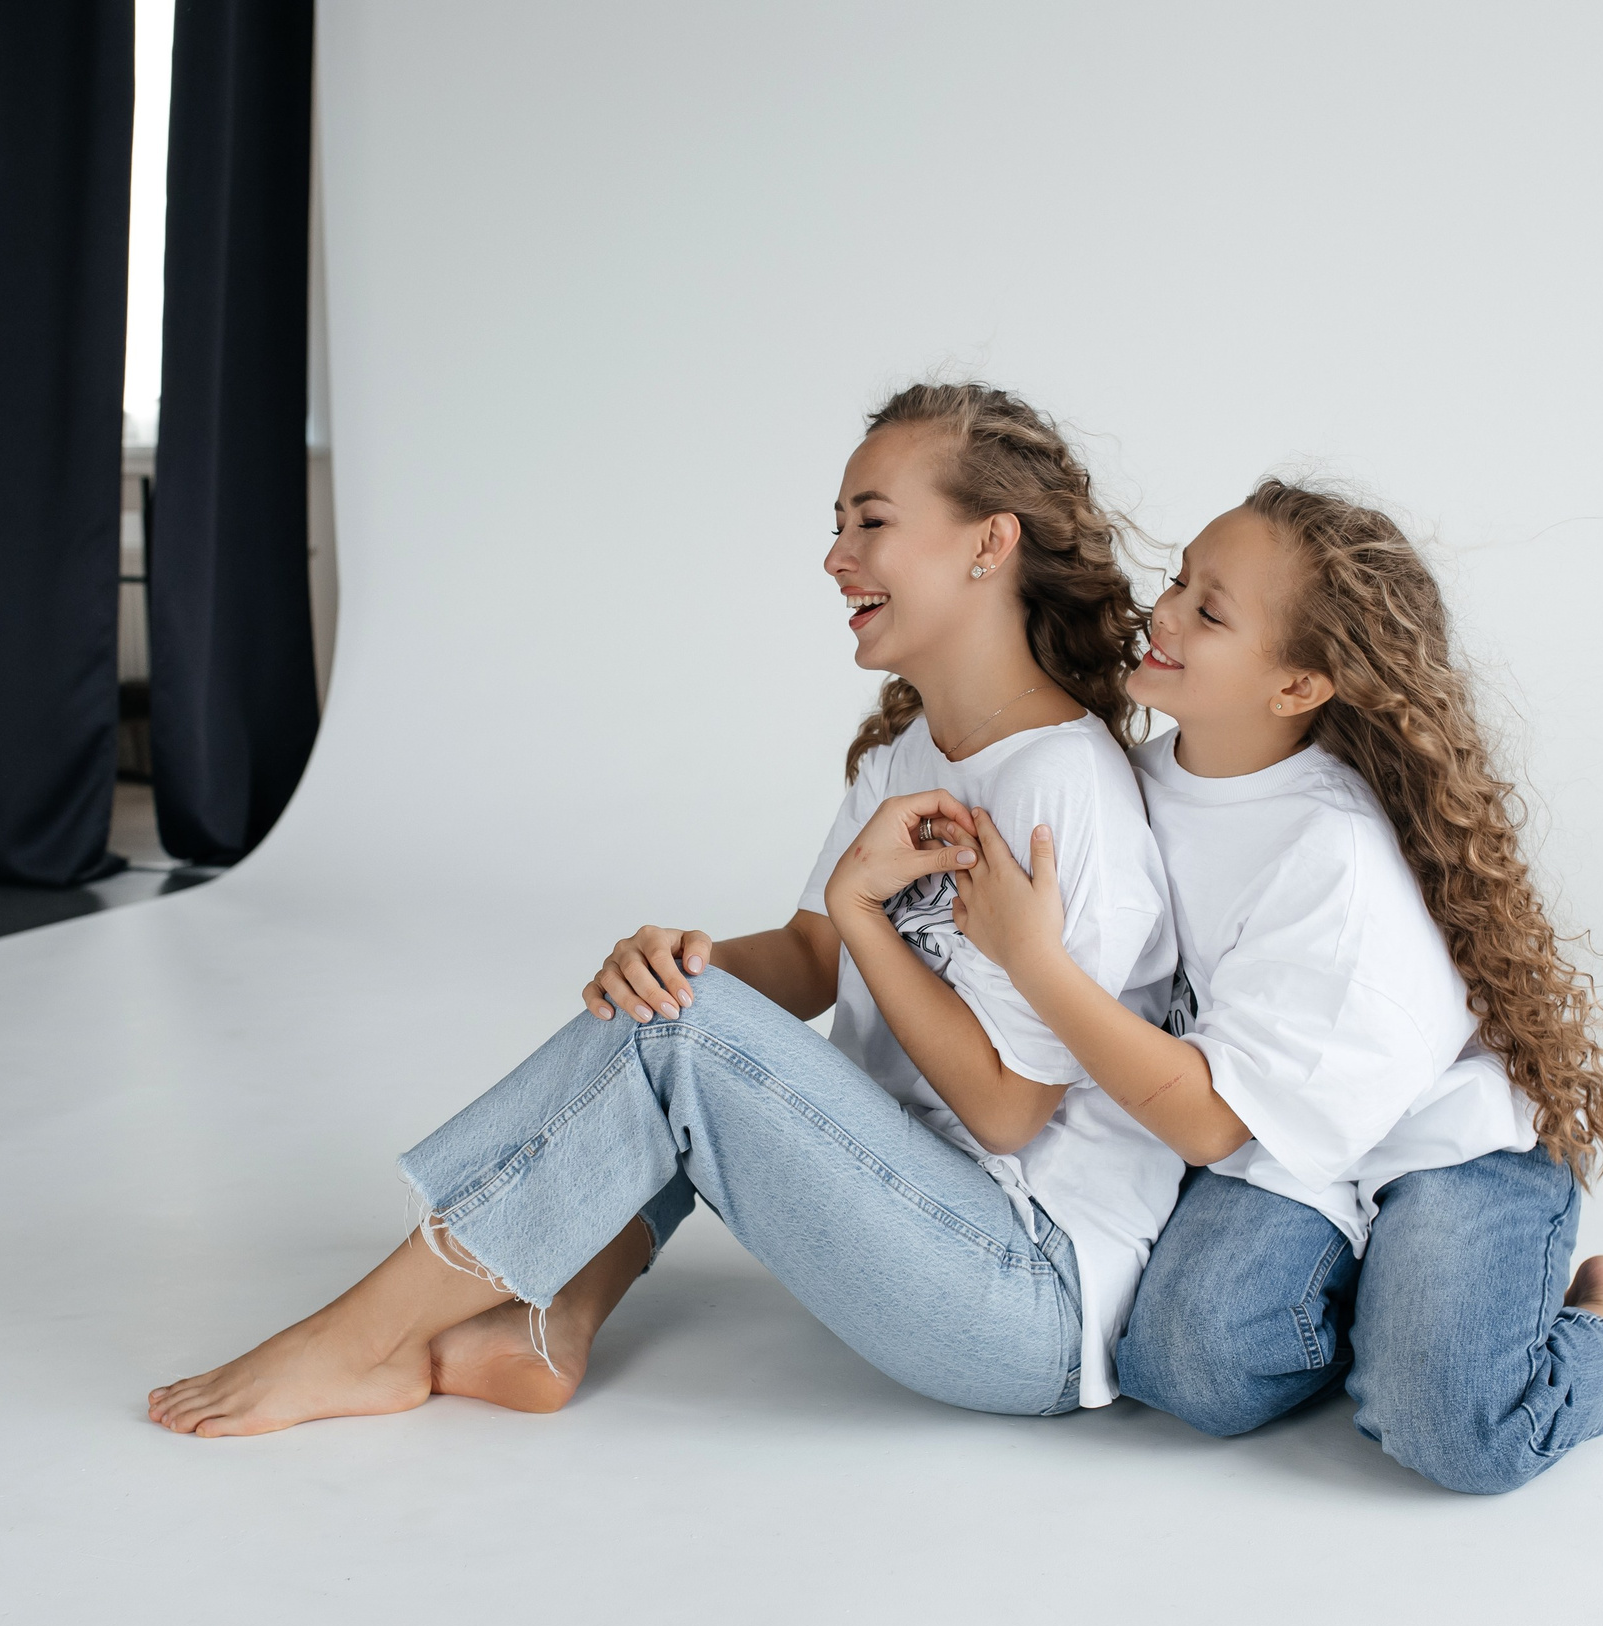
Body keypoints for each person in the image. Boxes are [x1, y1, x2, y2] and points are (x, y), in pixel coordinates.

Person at [148, 383, 1183, 1437]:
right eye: (836, 528)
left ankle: (357, 1344)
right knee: (676, 1001)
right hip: (920, 1221)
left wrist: (854, 917)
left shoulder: (1064, 790)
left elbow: (1009, 1111)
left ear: (988, 543)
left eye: (872, 522)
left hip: (1028, 1292)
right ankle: (544, 1328)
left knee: (686, 1035)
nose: (836, 558)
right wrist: (682, 964)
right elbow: (810, 956)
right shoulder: (911, 754)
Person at [937, 479, 1603, 1493]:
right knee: (1186, 1366)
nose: (1162, 611)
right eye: (1178, 578)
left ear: (1298, 686)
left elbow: (1210, 1125)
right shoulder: (1128, 779)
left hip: (1424, 1132)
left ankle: (1600, 1326)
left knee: (1456, 1431)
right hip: (1281, 1128)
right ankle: (1366, 1292)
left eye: (1208, 612)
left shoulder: (1330, 852)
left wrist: (1032, 961)